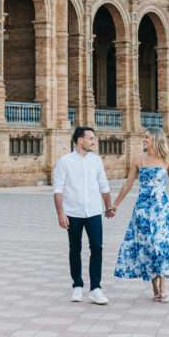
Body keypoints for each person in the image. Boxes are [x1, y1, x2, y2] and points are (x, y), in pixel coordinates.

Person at [111, 128, 169, 303]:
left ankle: (163, 287)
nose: (144, 140)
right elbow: (128, 184)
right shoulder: (139, 159)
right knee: (147, 246)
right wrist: (115, 204)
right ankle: (154, 286)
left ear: (156, 139)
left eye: (147, 137)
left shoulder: (167, 159)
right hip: (143, 209)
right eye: (144, 137)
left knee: (160, 244)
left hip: (161, 208)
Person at [53, 126, 114, 305]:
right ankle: (77, 286)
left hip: (94, 211)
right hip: (72, 212)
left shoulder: (96, 160)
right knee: (75, 249)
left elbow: (104, 185)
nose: (93, 142)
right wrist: (60, 213)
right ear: (80, 140)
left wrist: (108, 206)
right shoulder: (64, 162)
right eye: (90, 138)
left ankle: (96, 288)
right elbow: (58, 189)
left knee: (97, 247)